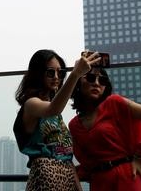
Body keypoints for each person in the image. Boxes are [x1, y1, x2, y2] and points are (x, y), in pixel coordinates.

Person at [68, 65, 141, 190]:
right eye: (91, 78)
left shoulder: (114, 103)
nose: (97, 83)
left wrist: (138, 157)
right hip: (99, 182)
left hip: (127, 178)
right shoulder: (74, 125)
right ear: (78, 83)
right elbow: (86, 164)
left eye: (102, 80)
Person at [13, 49, 99, 191]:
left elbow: (66, 155)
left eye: (61, 72)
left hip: (66, 175)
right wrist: (76, 74)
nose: (57, 77)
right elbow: (54, 108)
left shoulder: (56, 115)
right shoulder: (31, 104)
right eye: (50, 72)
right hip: (46, 176)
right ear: (38, 74)